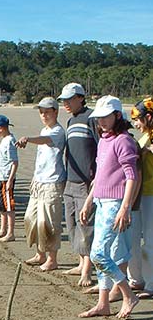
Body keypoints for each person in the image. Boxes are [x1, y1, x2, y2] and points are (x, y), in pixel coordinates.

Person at [79, 95, 139, 319]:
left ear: (116, 115)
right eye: (98, 118)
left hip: (115, 203)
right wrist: (89, 201)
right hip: (101, 201)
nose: (101, 122)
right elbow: (100, 176)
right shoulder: (104, 139)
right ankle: (103, 303)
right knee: (106, 253)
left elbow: (131, 176)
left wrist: (125, 207)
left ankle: (127, 295)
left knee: (98, 254)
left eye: (105, 117)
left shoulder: (124, 140)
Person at [16, 97, 66, 272]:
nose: (44, 115)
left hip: (52, 182)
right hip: (39, 182)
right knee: (32, 218)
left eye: (47, 112)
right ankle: (40, 254)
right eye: (41, 112)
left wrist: (28, 139)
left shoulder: (58, 131)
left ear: (55, 112)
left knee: (49, 222)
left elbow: (45, 140)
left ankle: (52, 259)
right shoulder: (44, 129)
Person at [58, 83, 99, 287]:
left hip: (86, 182)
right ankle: (80, 262)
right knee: (72, 223)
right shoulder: (71, 120)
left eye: (69, 99)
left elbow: (101, 150)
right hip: (70, 180)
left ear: (81, 98)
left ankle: (88, 270)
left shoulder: (92, 118)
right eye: (63, 100)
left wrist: (95, 181)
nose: (65, 103)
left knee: (87, 225)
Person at [131, 97, 153, 298]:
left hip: (150, 193)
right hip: (141, 192)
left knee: (150, 239)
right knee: (136, 238)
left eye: (138, 119)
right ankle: (138, 279)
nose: (136, 124)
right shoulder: (145, 135)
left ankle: (150, 284)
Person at [0, 115, 18, 242]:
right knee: (1, 206)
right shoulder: (4, 139)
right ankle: (3, 229)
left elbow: (14, 162)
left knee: (8, 207)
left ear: (0, 128)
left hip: (5, 178)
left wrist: (10, 180)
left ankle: (10, 232)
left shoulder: (10, 141)